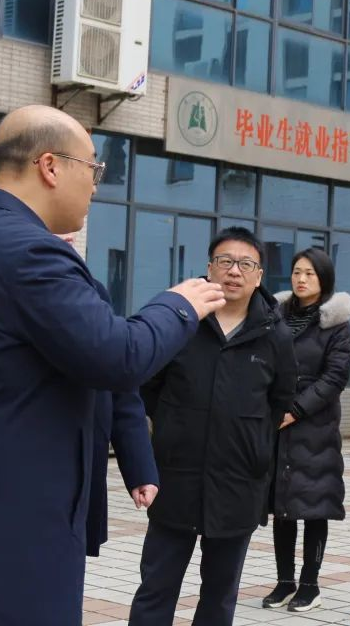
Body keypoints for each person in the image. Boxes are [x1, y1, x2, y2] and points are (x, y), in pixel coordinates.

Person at [0, 105, 227, 626]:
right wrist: (179, 304)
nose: (95, 186)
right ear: (50, 166)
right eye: (93, 168)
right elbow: (118, 356)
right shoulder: (26, 253)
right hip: (0, 536)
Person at [129, 227, 298, 626]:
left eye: (246, 264)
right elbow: (147, 387)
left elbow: (280, 401)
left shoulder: (275, 335)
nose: (234, 271)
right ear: (209, 268)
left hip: (238, 485)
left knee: (220, 596)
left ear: (259, 275)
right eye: (225, 261)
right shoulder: (180, 322)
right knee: (156, 588)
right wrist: (172, 430)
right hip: (175, 479)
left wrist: (250, 444)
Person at [52, 233, 158, 556]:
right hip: (20, 471)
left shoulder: (93, 294)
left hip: (82, 465)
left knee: (70, 562)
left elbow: (121, 387)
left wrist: (140, 469)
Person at [263, 248, 350, 613]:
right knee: (282, 504)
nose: (301, 279)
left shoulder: (336, 323)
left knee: (315, 505)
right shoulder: (276, 316)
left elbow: (335, 377)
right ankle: (284, 581)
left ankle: (310, 584)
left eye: (310, 274)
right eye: (297, 272)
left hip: (315, 426)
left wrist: (296, 410)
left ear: (324, 278)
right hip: (278, 424)